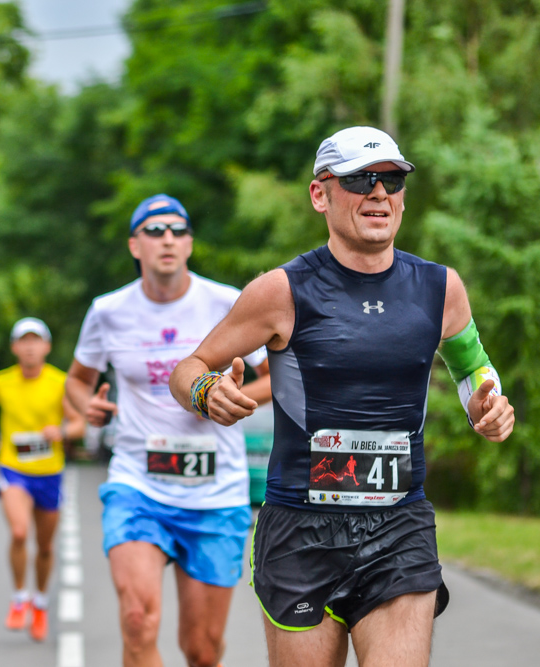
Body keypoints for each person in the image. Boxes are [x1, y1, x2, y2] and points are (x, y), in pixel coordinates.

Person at [169, 126, 515, 667]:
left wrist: (487, 402)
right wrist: (206, 390)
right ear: (320, 194)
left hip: (399, 524)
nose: (380, 193)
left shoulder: (440, 287)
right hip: (299, 531)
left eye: (393, 180)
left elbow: (474, 368)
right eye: (361, 180)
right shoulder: (281, 291)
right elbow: (188, 368)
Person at [65, 195, 271, 667]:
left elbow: (275, 377)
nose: (167, 239)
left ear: (190, 244)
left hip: (215, 493)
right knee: (137, 620)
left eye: (178, 230)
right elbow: (77, 380)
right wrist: (88, 406)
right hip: (139, 483)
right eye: (154, 231)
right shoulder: (108, 310)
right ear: (135, 245)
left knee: (201, 650)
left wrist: (230, 400)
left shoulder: (226, 302)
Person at [0, 317, 86, 642]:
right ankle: (20, 597)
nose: (30, 346)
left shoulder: (60, 382)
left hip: (49, 472)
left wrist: (61, 431)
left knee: (45, 546)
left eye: (36, 340)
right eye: (24, 340)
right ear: (15, 347)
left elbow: (80, 424)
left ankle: (41, 603)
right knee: (20, 532)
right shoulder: (1, 381)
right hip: (13, 468)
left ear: (46, 347)